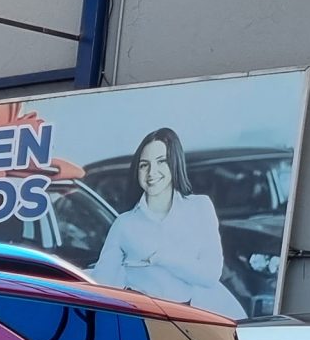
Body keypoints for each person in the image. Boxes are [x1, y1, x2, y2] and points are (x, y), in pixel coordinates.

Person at [89, 127, 244, 317]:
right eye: (144, 165)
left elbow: (210, 275)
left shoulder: (199, 207)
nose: (152, 172)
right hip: (139, 319)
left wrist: (162, 258)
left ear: (174, 163)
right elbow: (100, 284)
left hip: (186, 319)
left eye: (161, 162)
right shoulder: (125, 224)